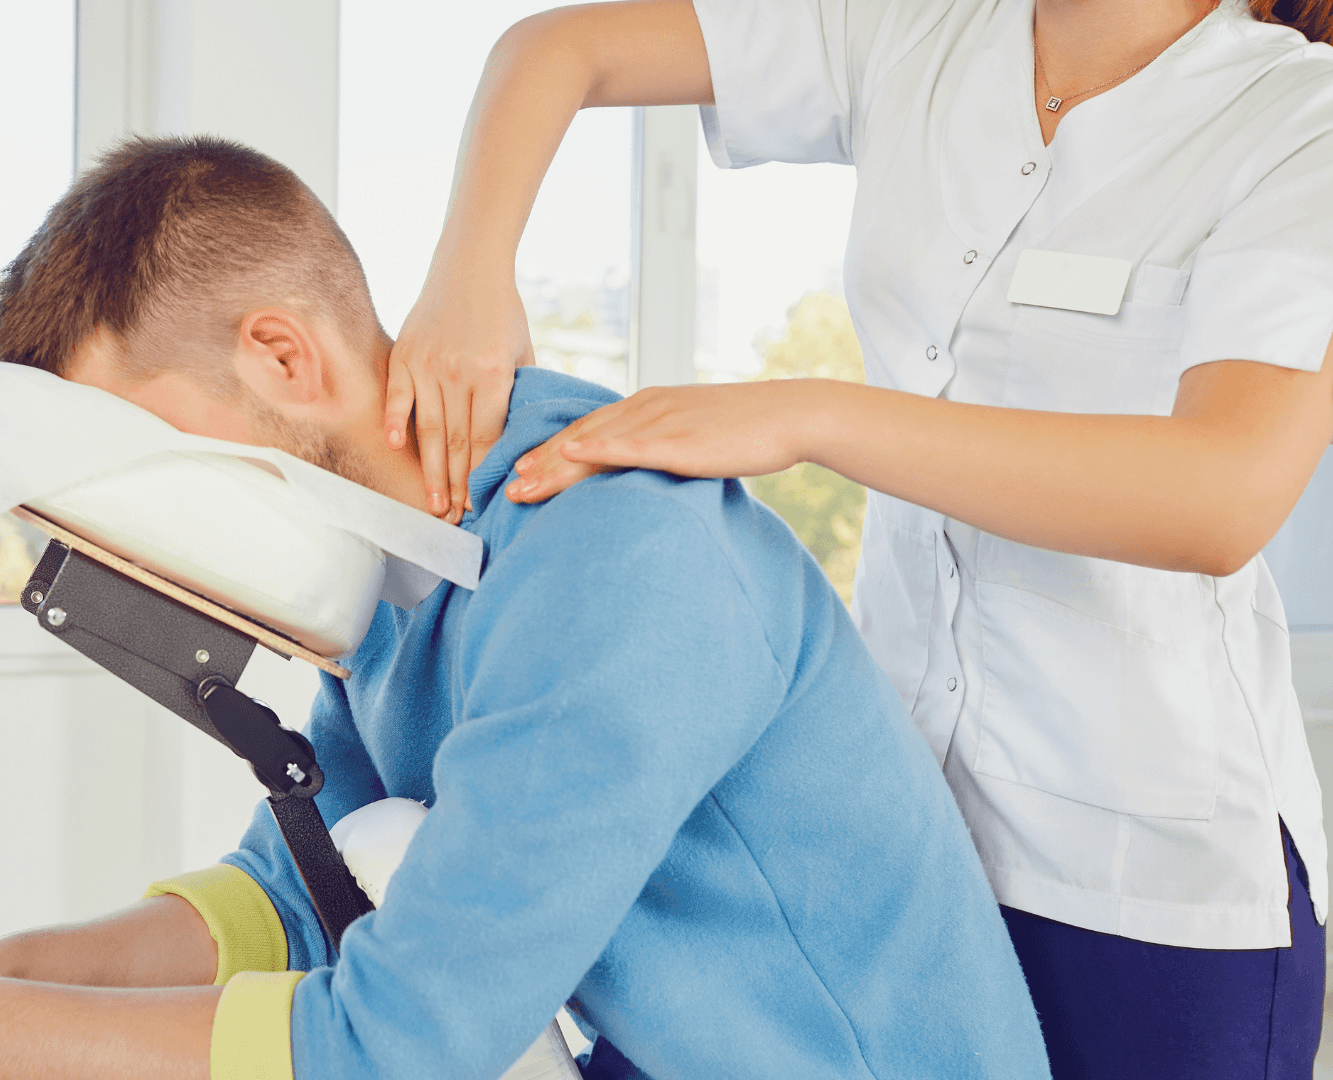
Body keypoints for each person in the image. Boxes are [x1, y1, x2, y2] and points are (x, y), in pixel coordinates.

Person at [0, 136, 1049, 1080]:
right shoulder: (404, 566)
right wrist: (6, 973)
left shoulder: (612, 557)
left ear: (282, 355)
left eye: (146, 448)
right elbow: (305, 889)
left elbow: (405, 1040)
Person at [388, 1, 1333, 1076]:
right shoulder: (909, 32)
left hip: (1142, 891)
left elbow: (1222, 495)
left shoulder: (1298, 121)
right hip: (887, 831)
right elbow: (561, 47)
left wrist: (813, 417)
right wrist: (469, 272)